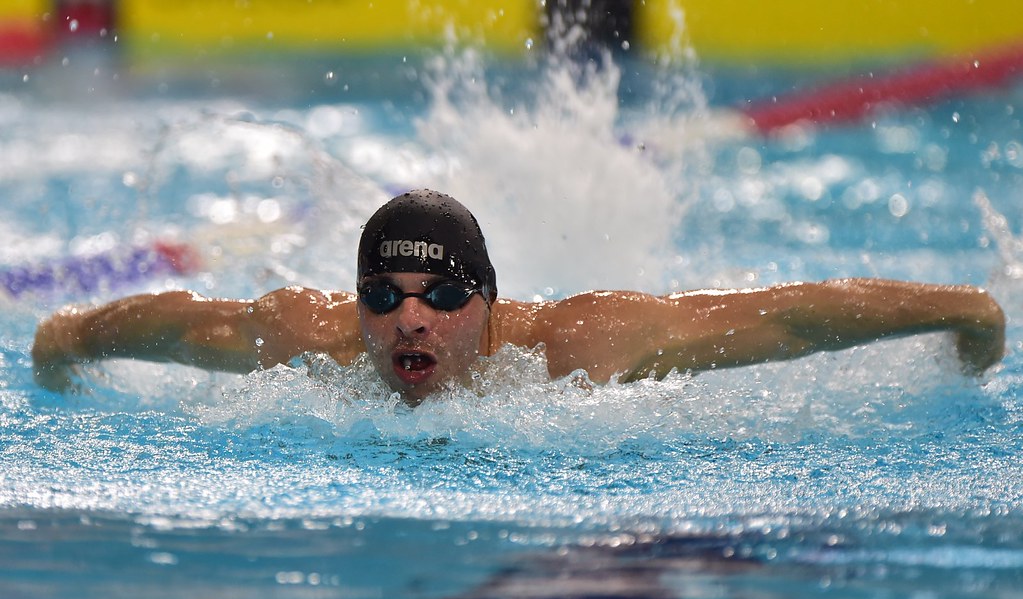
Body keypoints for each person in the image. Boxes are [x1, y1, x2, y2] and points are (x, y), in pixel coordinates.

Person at [32, 189, 1006, 402]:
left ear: (490, 302)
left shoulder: (575, 347)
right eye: (384, 294)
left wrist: (959, 308)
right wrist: (69, 333)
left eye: (443, 293)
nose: (409, 317)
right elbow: (184, 322)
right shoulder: (314, 340)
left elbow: (780, 317)